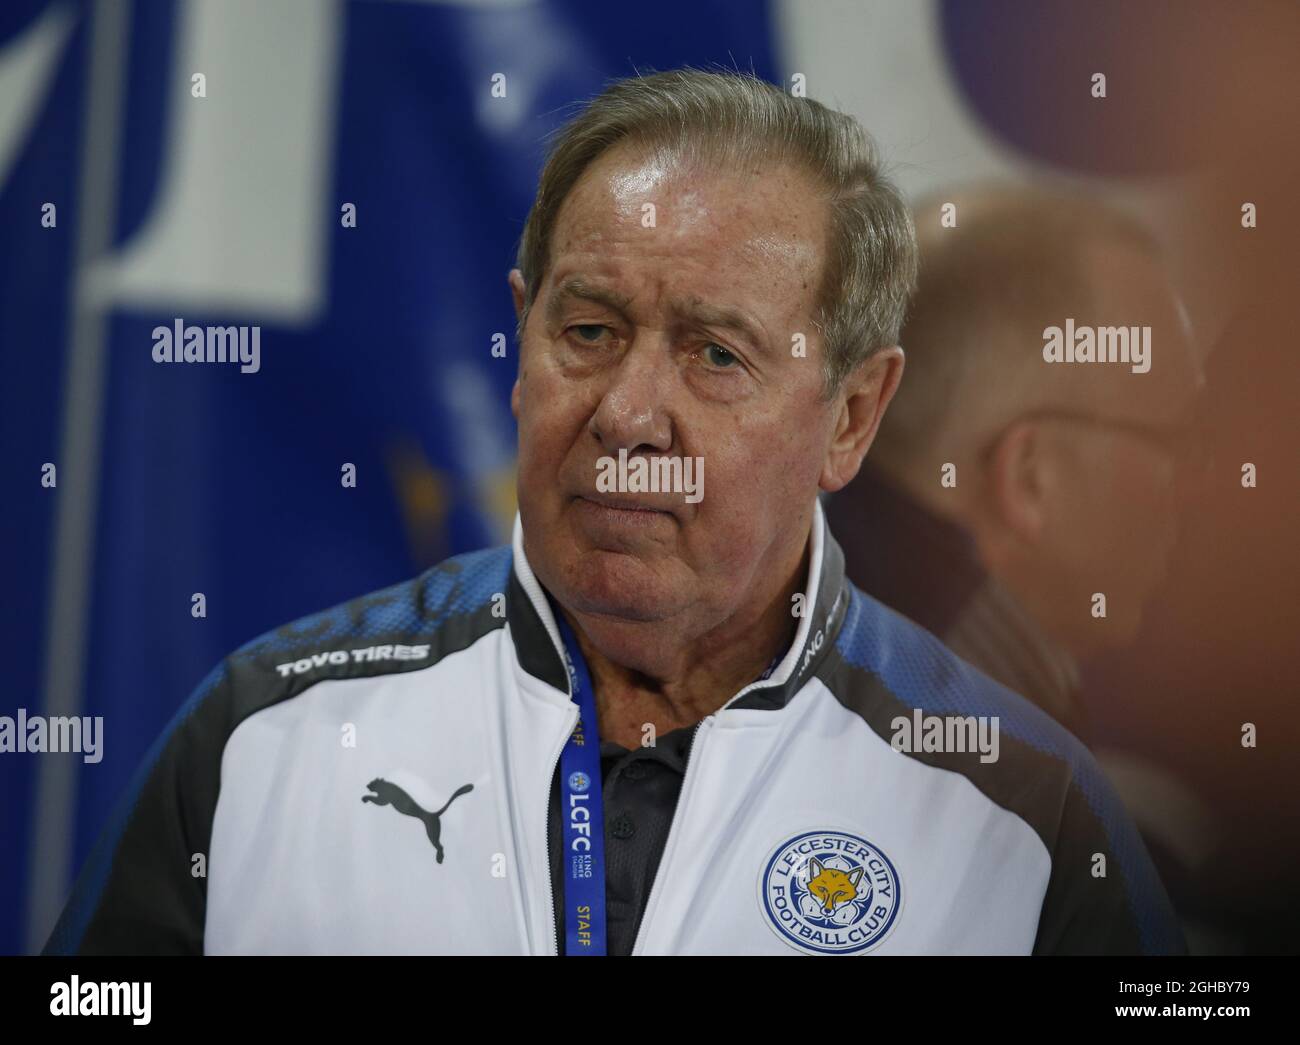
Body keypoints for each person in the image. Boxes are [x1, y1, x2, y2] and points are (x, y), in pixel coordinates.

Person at [43, 70, 1182, 956]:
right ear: (522, 337)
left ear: (850, 415)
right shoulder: (261, 739)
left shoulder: (1025, 817)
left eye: (715, 353)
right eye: (587, 332)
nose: (629, 413)